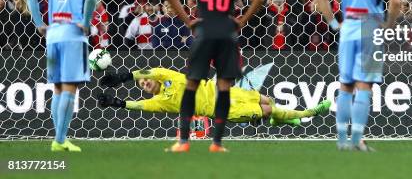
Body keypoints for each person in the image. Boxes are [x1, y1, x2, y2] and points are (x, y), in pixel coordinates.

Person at [164, 0, 264, 153]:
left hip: (205, 32)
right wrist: (241, 21)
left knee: (191, 85)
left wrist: (189, 22)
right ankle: (217, 143)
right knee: (224, 87)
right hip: (227, 34)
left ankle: (183, 142)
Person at [314, 0, 401, 151]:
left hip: (348, 26)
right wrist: (388, 25)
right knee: (364, 86)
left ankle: (342, 140)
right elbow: (395, 0)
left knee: (345, 85)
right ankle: (356, 140)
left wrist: (335, 24)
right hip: (369, 25)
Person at [25, 0, 98, 152]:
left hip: (53, 35)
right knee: (69, 88)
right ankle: (59, 139)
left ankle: (59, 139)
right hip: (73, 35)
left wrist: (40, 25)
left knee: (57, 88)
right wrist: (85, 23)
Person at [96, 67, 330, 126]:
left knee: (266, 100)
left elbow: (153, 70)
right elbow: (141, 106)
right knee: (267, 110)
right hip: (223, 110)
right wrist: (118, 103)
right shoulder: (161, 101)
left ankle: (282, 119)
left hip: (224, 92)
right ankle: (309, 112)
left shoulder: (168, 77)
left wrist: (125, 76)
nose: (146, 83)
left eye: (146, 80)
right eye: (143, 84)